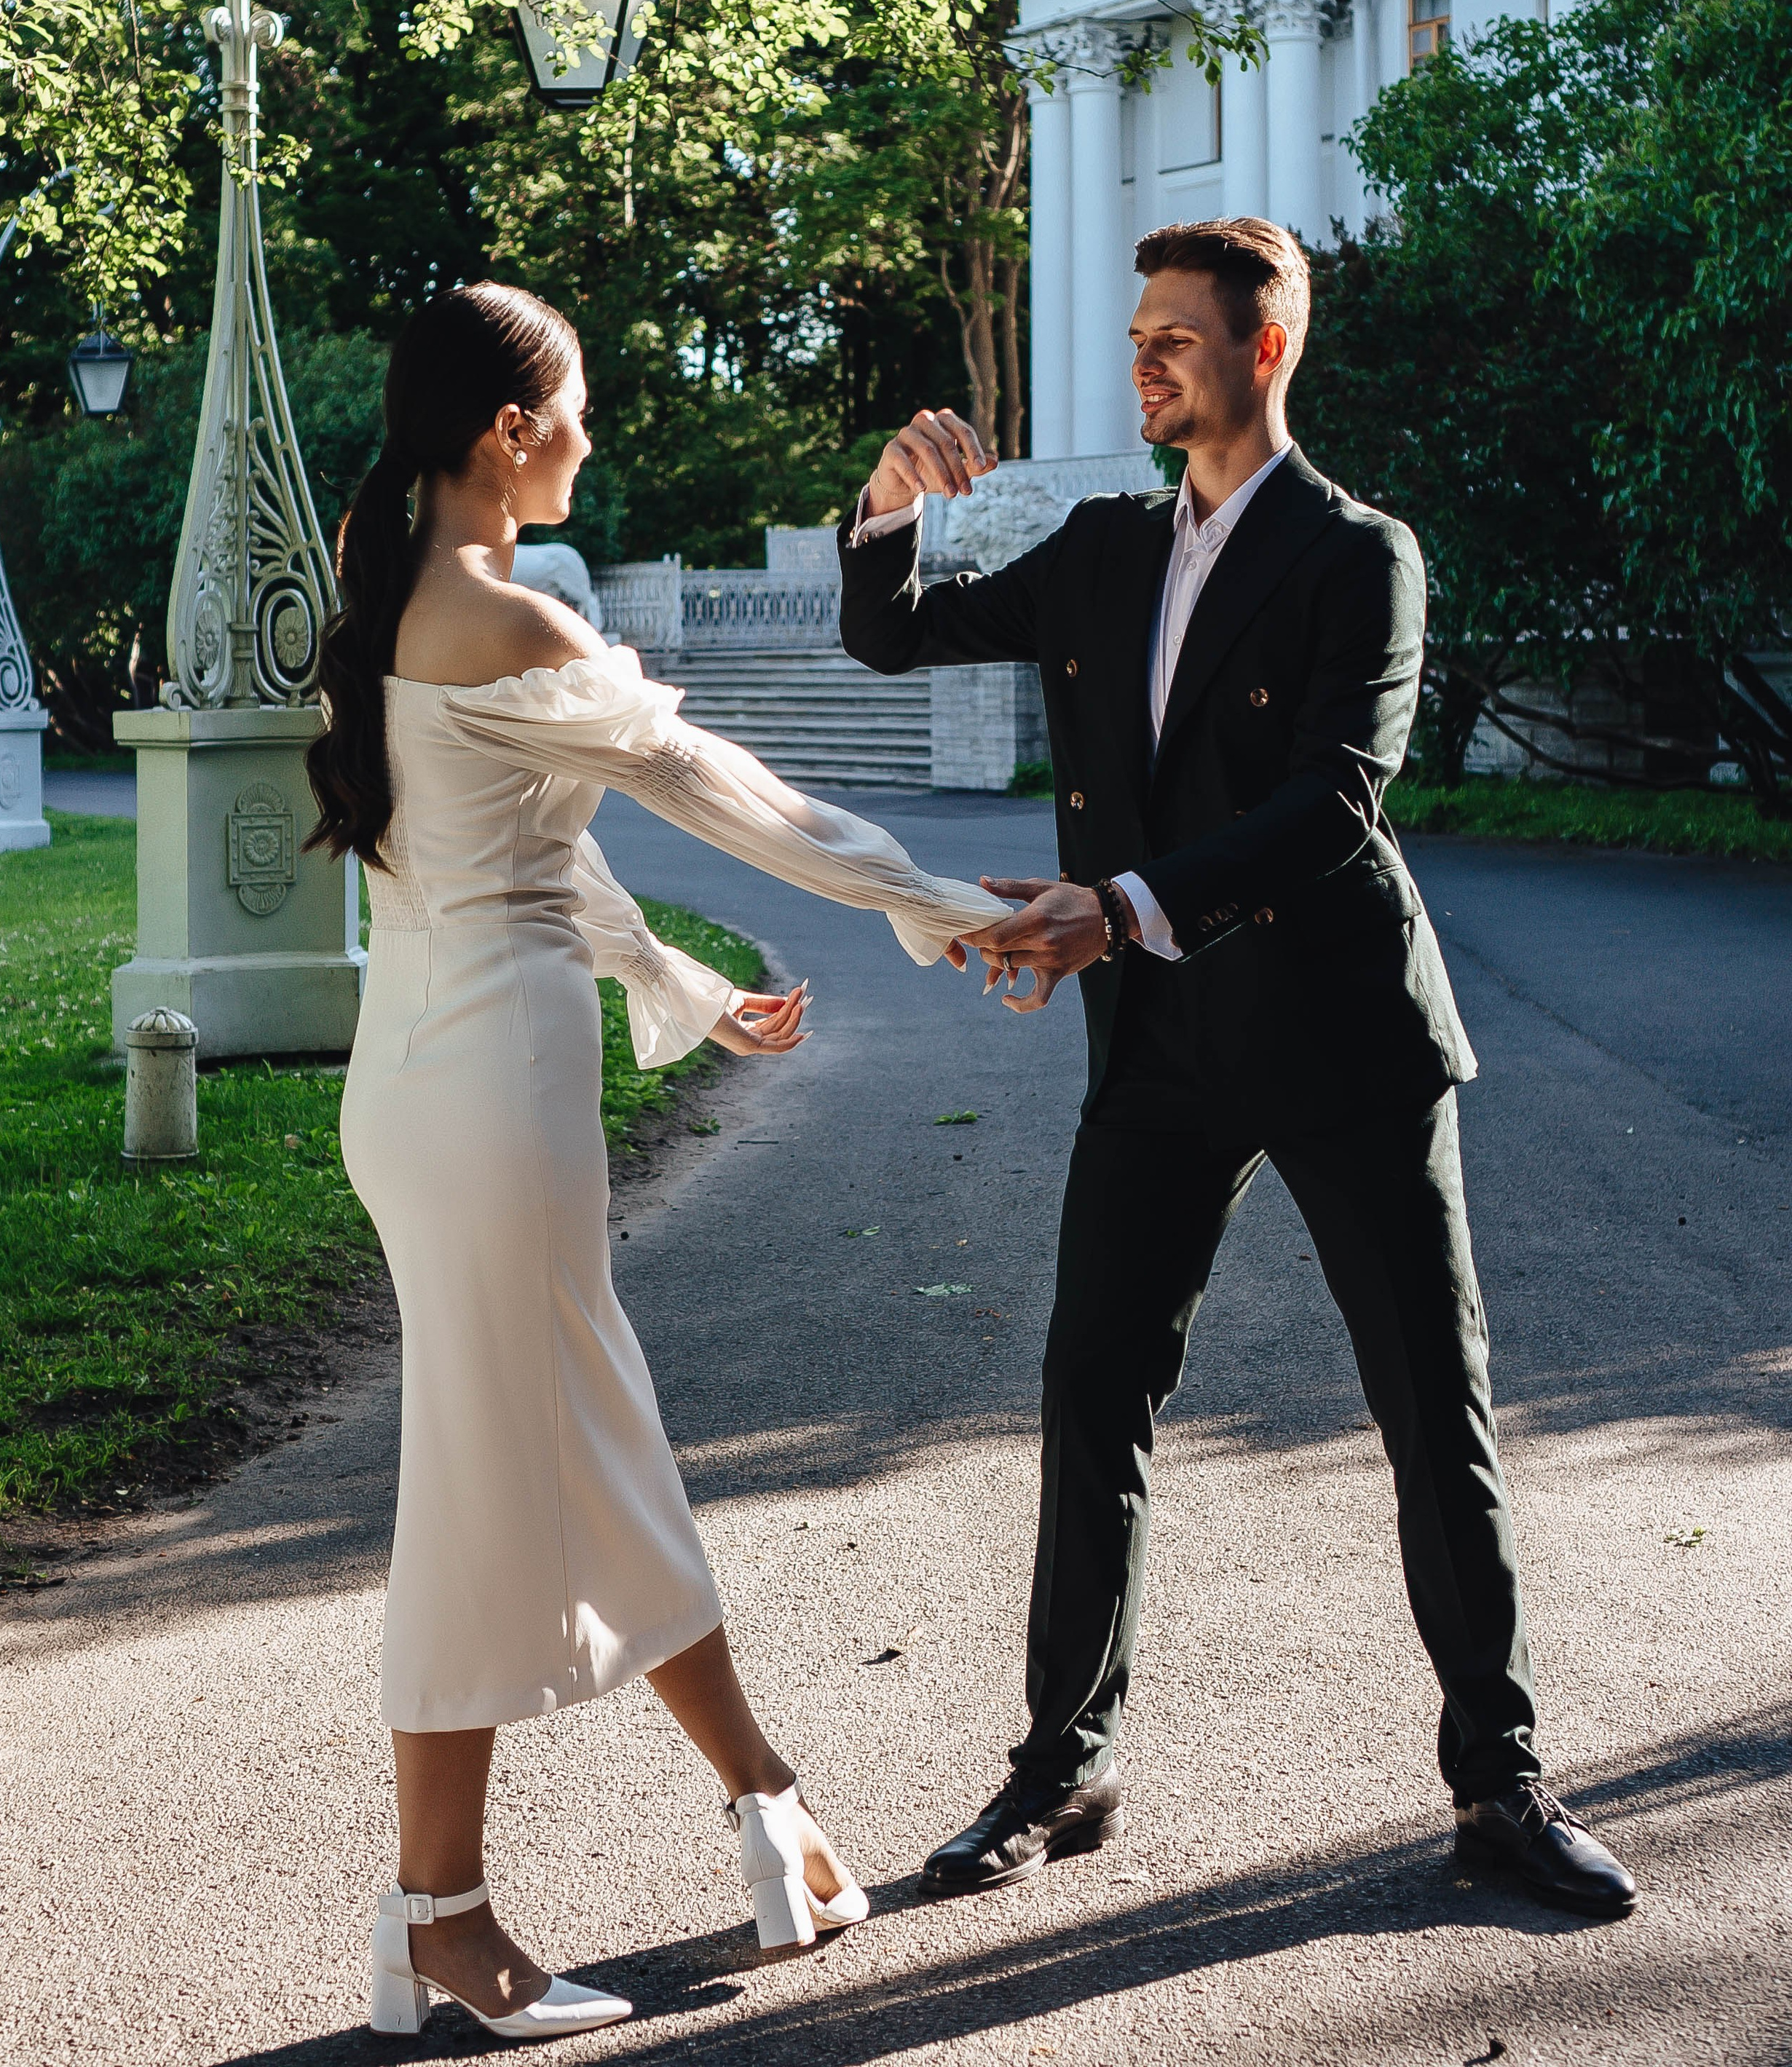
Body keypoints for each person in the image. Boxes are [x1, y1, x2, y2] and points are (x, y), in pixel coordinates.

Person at [837, 216, 1638, 1920]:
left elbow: (1329, 806)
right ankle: (1063, 1769)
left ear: (1261, 352)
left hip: (1341, 1037)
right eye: (1138, 333)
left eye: (1175, 338)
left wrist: (1109, 909)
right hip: (1162, 1048)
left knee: (1433, 1410)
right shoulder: (1101, 546)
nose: (1143, 360)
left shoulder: (1360, 554)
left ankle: (1497, 1787)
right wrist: (887, 515)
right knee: (1089, 1392)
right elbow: (894, 639)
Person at [306, 282, 1009, 2042]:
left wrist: (669, 981)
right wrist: (948, 904)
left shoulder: (401, 594)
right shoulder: (511, 612)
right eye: (580, 405)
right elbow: (733, 802)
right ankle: (438, 1919)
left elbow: (525, 843)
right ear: (505, 431)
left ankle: (767, 1813)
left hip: (426, 1086)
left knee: (589, 1447)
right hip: (489, 1106)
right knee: (488, 1488)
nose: (594, 437)